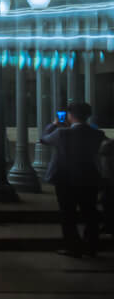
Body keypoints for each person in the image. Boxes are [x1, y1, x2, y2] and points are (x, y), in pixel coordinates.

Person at [41, 102, 106, 258]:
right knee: (89, 212)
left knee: (67, 214)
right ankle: (91, 246)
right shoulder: (97, 134)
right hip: (89, 178)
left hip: (65, 179)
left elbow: (44, 139)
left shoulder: (62, 133)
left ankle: (73, 247)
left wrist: (54, 124)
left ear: (70, 115)